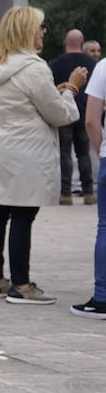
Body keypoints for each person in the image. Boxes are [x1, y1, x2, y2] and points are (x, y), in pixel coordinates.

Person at [0, 6, 86, 305]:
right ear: (26, 33)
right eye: (40, 27)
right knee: (23, 215)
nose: (43, 32)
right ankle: (21, 285)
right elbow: (58, 114)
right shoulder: (34, 68)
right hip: (26, 153)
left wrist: (55, 90)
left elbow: (24, 100)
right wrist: (72, 87)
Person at [72, 55, 106, 318]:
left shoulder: (104, 67)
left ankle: (103, 297)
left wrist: (100, 150)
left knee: (105, 228)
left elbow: (92, 120)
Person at [48, 29, 97, 205]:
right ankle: (89, 193)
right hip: (85, 113)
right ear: (82, 43)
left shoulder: (54, 64)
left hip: (64, 113)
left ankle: (65, 193)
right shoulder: (92, 64)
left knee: (64, 153)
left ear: (64, 42)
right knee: (84, 153)